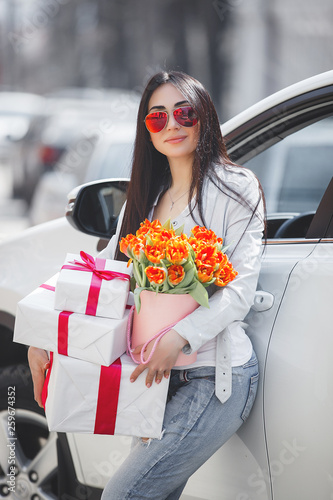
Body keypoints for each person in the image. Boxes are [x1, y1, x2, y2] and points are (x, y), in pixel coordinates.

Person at [28, 70, 265, 500]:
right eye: (157, 118)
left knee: (122, 494)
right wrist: (45, 334)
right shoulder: (146, 196)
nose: (171, 124)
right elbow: (101, 272)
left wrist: (180, 337)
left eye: (183, 112)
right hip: (148, 380)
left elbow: (239, 290)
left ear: (204, 117)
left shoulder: (236, 187)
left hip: (215, 378)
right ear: (147, 131)